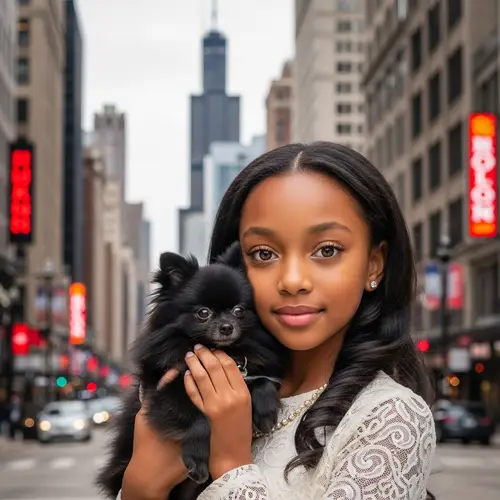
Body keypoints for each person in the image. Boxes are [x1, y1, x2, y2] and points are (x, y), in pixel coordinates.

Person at [119, 143, 436, 500]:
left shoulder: (390, 418)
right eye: (264, 254)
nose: (293, 280)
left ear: (374, 264)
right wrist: (139, 487)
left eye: (327, 250)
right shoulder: (180, 388)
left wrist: (231, 462)